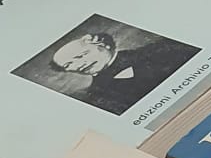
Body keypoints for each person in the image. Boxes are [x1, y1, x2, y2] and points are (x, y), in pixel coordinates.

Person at [47, 25, 199, 115]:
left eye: (82, 55)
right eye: (68, 65)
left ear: (101, 44)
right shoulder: (96, 99)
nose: (80, 64)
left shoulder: (162, 49)